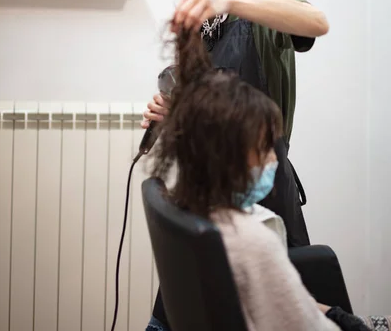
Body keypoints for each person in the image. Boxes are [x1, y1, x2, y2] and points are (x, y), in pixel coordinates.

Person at [137, 0, 329, 330]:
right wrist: (174, 109)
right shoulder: (195, 9)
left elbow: (316, 22)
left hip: (260, 182)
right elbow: (210, 101)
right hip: (208, 188)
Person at [147, 27, 370, 331]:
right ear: (230, 158)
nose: (275, 160)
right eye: (266, 148)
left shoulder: (189, 209)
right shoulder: (255, 241)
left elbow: (288, 304)